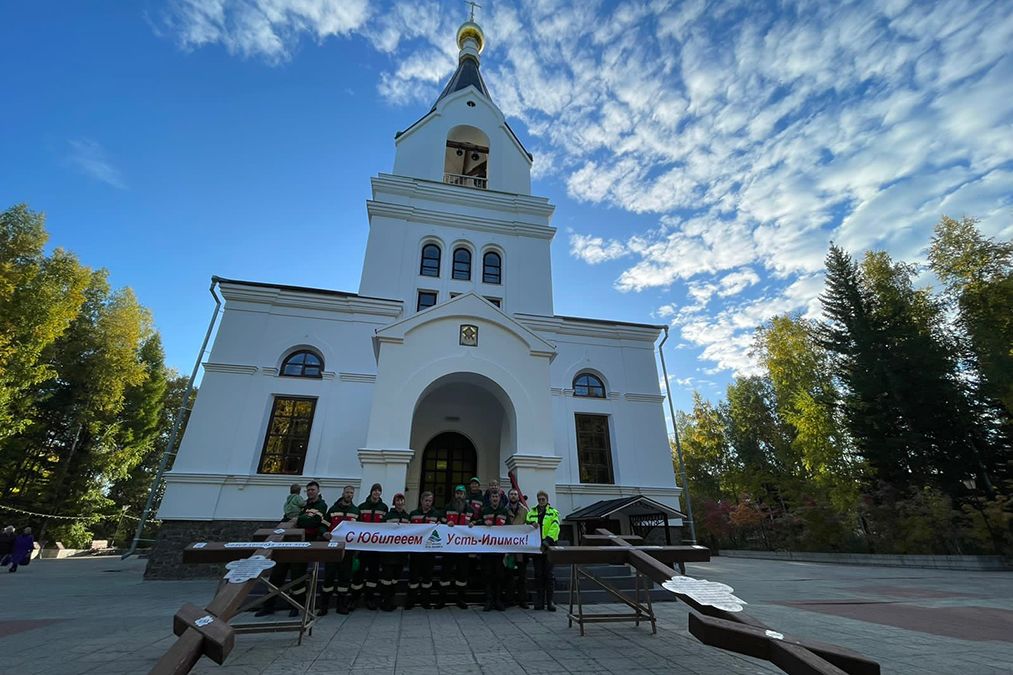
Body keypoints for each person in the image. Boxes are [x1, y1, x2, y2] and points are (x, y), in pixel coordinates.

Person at [257, 481, 326, 616]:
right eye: (309, 490)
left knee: (298, 576)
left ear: (318, 491)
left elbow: (314, 521)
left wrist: (297, 520)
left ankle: (296, 606)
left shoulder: (321, 505)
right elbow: (286, 518)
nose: (310, 492)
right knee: (277, 575)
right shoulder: (301, 505)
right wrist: (296, 519)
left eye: (313, 489)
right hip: (287, 543)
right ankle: (268, 606)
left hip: (303, 544)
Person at [318, 485, 359, 615]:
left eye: (351, 493)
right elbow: (323, 526)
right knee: (329, 577)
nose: (349, 495)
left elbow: (362, 530)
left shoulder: (356, 511)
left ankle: (342, 606)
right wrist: (324, 533)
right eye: (347, 492)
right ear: (343, 493)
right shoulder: (333, 509)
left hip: (348, 551)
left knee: (344, 578)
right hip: (332, 549)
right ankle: (323, 606)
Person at [471, 489, 509, 611]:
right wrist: (480, 523)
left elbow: (511, 528)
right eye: (493, 496)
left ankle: (498, 600)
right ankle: (488, 600)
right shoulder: (484, 510)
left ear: (499, 498)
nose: (495, 498)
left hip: (499, 550)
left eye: (496, 496)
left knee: (499, 575)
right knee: (487, 574)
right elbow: (477, 523)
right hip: (486, 550)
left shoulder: (504, 511)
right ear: (490, 498)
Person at [354, 483, 388, 610]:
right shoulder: (362, 507)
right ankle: (354, 598)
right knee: (359, 573)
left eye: (379, 491)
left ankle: (369, 598)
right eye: (375, 490)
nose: (377, 493)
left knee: (373, 574)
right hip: (362, 547)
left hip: (376, 548)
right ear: (371, 492)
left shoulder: (384, 508)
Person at [525, 490, 560, 611]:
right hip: (536, 548)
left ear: (547, 500)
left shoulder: (553, 512)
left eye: (543, 499)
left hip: (549, 547)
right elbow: (526, 524)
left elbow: (555, 527)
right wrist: (531, 523)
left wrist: (547, 541)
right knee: (538, 574)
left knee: (549, 575)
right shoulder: (531, 512)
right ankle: (540, 601)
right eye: (539, 499)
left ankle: (550, 601)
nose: (541, 501)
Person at [406, 491, 440, 609]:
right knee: (413, 577)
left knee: (427, 577)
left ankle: (425, 601)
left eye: (430, 501)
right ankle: (411, 601)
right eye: (426, 501)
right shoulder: (413, 514)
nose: (428, 503)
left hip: (429, 552)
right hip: (415, 552)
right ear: (421, 501)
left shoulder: (436, 515)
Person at [441, 484, 471, 609]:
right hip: (449, 547)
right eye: (457, 493)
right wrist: (446, 522)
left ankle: (461, 599)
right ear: (455, 494)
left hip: (463, 549)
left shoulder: (469, 509)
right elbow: (440, 519)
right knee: (445, 575)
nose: (459, 495)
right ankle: (442, 600)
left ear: (465, 495)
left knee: (462, 575)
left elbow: (478, 521)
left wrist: (473, 523)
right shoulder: (448, 507)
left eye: (461, 493)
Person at [380, 493, 411, 611]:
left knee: (395, 579)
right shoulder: (387, 516)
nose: (400, 502)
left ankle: (391, 601)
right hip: (388, 554)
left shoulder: (407, 518)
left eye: (402, 500)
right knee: (387, 579)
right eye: (397, 500)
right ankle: (385, 601)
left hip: (401, 555)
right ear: (394, 502)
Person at [504, 488, 530, 608]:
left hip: (521, 548)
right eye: (511, 494)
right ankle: (509, 599)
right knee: (509, 575)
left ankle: (522, 600)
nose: (513, 496)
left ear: (518, 497)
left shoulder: (524, 511)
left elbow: (529, 523)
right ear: (508, 496)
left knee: (522, 575)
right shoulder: (504, 510)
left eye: (515, 494)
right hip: (508, 548)